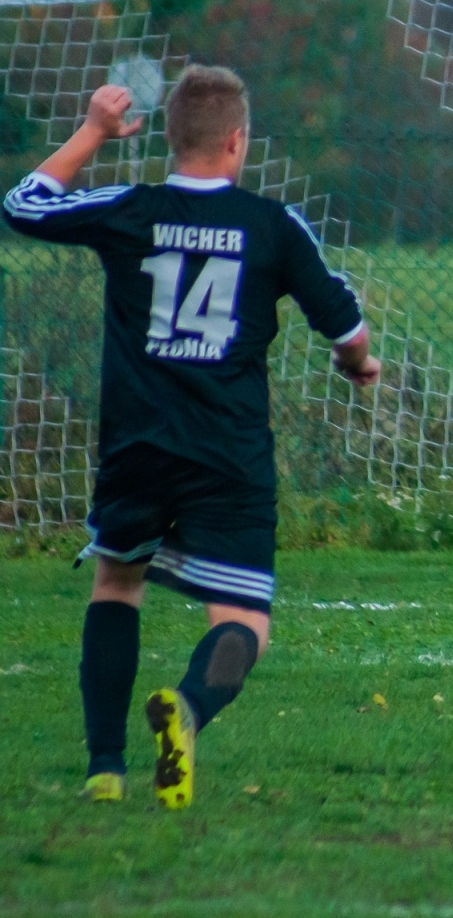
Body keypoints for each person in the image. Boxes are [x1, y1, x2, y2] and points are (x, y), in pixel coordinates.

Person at [3, 67, 380, 808]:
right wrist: (358, 366)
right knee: (243, 619)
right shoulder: (272, 225)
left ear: (171, 138)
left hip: (136, 444)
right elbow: (347, 329)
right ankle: (189, 710)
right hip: (227, 452)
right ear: (238, 140)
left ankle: (104, 768)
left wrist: (94, 130)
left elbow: (23, 205)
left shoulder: (133, 209)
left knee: (117, 582)